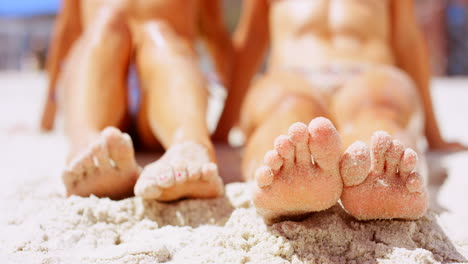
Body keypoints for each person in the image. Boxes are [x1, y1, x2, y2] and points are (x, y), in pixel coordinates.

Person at [213, 0, 468, 222]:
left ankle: (378, 185)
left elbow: (406, 39)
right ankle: (288, 184)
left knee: (377, 108)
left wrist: (434, 136)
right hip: (293, 74)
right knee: (287, 107)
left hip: (367, 71)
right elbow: (252, 38)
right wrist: (223, 129)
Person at [41, 0, 233, 200]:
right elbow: (68, 31)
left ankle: (189, 142)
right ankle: (85, 140)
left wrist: (227, 123)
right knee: (107, 24)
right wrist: (47, 116)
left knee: (158, 34)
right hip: (104, 83)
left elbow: (215, 33)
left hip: (164, 83)